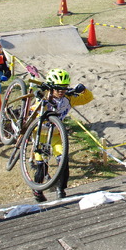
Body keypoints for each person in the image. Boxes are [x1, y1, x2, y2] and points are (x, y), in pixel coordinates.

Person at [31, 69, 93, 202]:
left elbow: (88, 98)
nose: (61, 91)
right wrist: (38, 97)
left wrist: (83, 90)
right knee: (41, 163)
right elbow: (33, 111)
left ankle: (61, 189)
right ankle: (38, 191)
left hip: (56, 134)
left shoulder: (69, 98)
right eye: (58, 89)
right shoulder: (44, 96)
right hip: (40, 134)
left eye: (64, 88)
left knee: (63, 161)